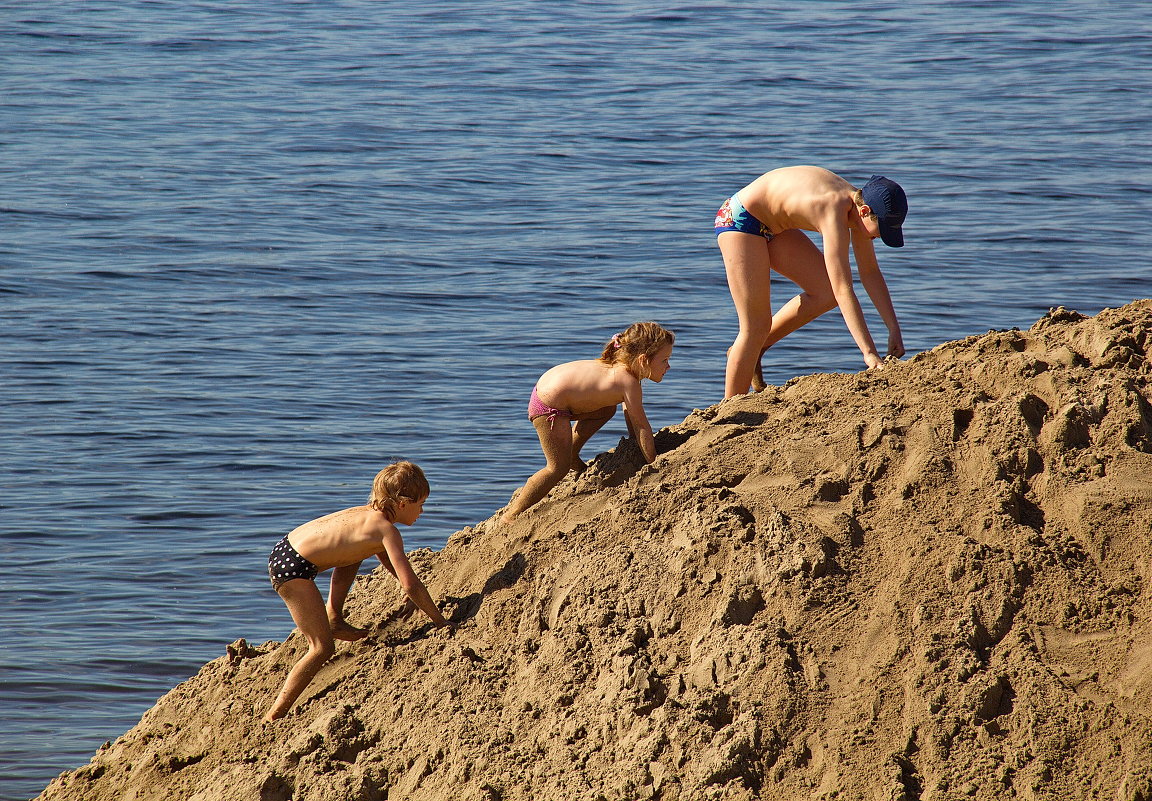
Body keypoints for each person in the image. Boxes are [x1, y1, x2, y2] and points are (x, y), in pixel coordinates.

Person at [263, 461, 448, 721]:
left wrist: (412, 598)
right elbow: (410, 584)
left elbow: (394, 571)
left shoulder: (369, 516)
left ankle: (334, 617)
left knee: (357, 552)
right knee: (321, 648)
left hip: (286, 547)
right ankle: (274, 714)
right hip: (293, 570)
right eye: (421, 505)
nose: (422, 511)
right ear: (403, 504)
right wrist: (440, 621)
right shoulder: (387, 531)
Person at [715, 165, 908, 397]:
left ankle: (754, 349)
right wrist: (869, 353)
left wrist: (893, 328)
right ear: (865, 210)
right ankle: (730, 409)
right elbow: (843, 288)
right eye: (882, 230)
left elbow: (870, 272)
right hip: (740, 220)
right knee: (755, 326)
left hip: (774, 228)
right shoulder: (833, 207)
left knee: (825, 293)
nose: (879, 237)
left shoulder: (859, 212)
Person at [502, 322, 675, 523]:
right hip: (549, 408)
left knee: (606, 409)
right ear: (643, 360)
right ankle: (512, 515)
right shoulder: (628, 381)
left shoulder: (620, 366)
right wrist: (654, 463)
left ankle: (572, 453)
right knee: (557, 468)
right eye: (664, 360)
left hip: (553, 391)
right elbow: (641, 425)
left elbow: (631, 417)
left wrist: (635, 443)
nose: (668, 366)